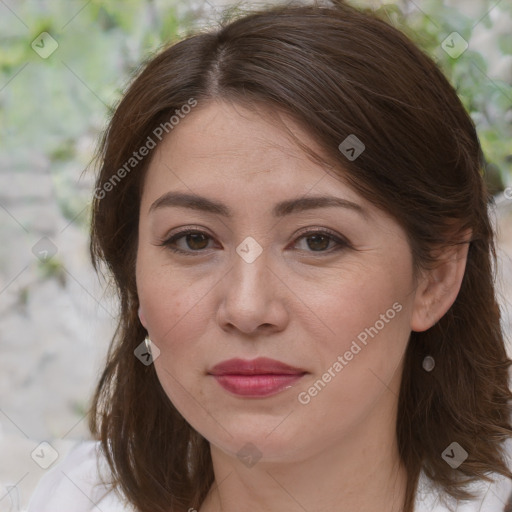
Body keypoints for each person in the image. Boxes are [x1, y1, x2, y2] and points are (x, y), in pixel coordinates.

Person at [27, 0, 512, 511]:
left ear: (435, 277)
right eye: (193, 240)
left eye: (317, 240)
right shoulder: (67, 497)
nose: (247, 308)